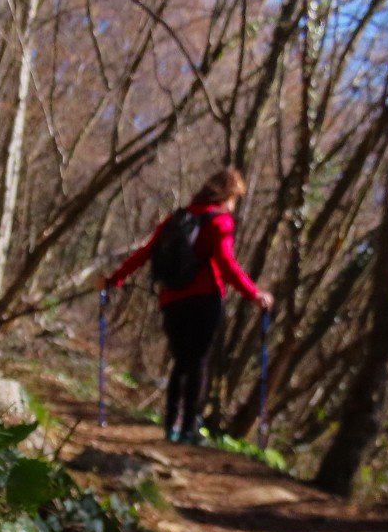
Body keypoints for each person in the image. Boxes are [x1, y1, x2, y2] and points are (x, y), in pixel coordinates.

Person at [100, 167, 274, 444]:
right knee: (197, 362)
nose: (234, 204)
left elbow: (146, 252)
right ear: (228, 195)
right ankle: (189, 429)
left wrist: (114, 279)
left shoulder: (177, 218)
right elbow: (227, 265)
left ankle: (171, 424)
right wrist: (255, 294)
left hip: (172, 299)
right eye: (235, 198)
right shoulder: (220, 222)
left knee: (181, 362)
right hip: (205, 298)